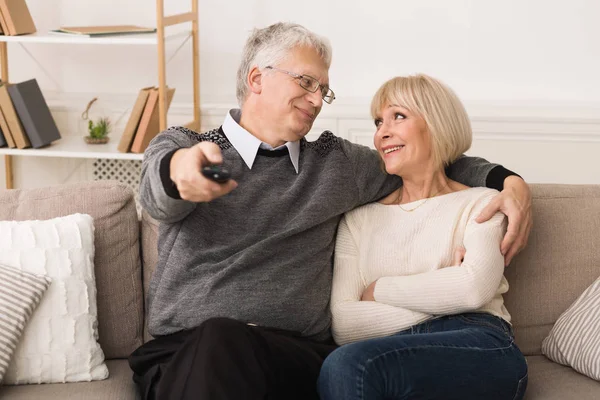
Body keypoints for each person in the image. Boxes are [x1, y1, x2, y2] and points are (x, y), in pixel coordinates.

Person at [128, 22, 532, 400]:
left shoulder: (336, 164)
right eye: (306, 82)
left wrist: (510, 183)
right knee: (220, 340)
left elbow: (427, 157)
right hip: (188, 351)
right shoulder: (191, 145)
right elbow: (157, 190)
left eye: (324, 89)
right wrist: (182, 171)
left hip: (293, 357)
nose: (317, 99)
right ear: (257, 79)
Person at [317, 74, 528, 400]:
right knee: (350, 365)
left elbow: (472, 290)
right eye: (378, 121)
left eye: (398, 116)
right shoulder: (357, 221)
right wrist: (446, 289)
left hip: (478, 342)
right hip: (388, 352)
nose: (381, 132)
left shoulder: (483, 203)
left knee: (347, 366)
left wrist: (379, 290)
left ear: (436, 123)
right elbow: (345, 324)